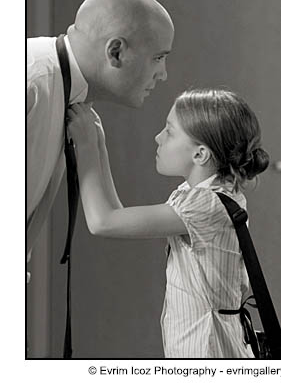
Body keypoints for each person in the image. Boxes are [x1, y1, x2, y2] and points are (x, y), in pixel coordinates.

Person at [67, 87, 270, 358]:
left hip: (207, 351)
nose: (158, 137)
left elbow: (102, 222)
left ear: (200, 155)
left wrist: (86, 145)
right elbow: (117, 214)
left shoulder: (205, 205)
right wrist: (99, 142)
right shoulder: (199, 194)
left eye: (169, 132)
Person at [27, 0, 174, 258]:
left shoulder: (70, 94)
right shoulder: (31, 81)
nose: (163, 74)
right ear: (115, 52)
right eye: (158, 58)